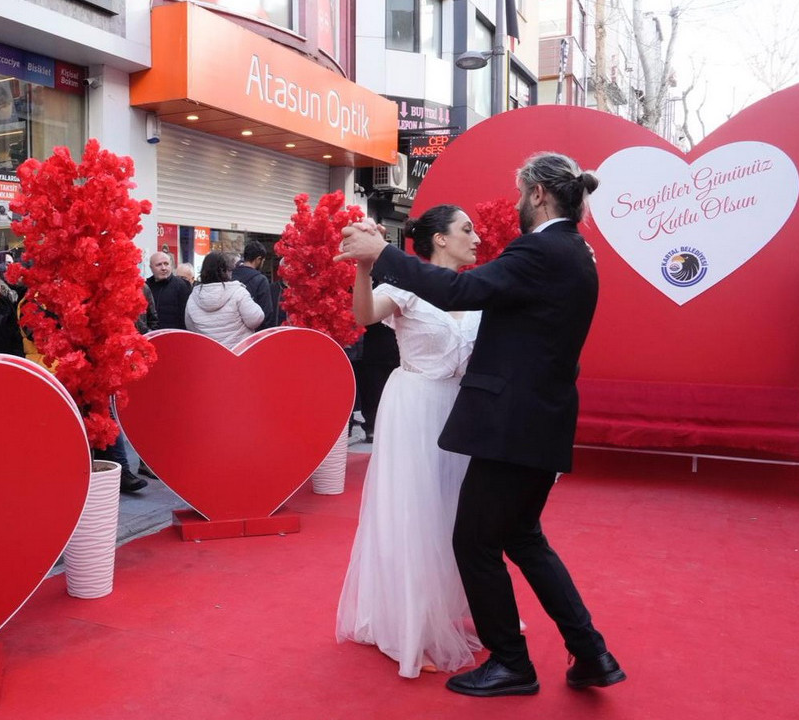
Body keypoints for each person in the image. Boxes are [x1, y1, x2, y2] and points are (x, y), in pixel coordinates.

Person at [337, 152, 624, 697]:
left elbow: (458, 292)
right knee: (523, 538)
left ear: (538, 193)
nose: (514, 205)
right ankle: (591, 652)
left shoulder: (539, 250)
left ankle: (513, 663)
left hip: (510, 427)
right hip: (538, 421)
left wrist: (383, 253)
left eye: (520, 193)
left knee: (473, 542)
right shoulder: (577, 250)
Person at [336, 205, 483, 679]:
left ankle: (456, 608)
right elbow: (363, 315)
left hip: (460, 410)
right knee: (414, 515)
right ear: (440, 239)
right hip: (415, 407)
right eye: (467, 230)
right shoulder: (405, 287)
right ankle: (411, 626)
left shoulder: (476, 293)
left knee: (454, 514)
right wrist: (365, 267)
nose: (476, 238)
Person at [184, 251, 264, 349]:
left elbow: (190, 327)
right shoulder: (238, 291)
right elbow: (256, 319)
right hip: (238, 352)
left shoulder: (193, 297)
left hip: (208, 353)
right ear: (226, 271)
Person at [231, 241, 275, 329]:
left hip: (232, 329)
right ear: (258, 259)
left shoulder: (230, 276)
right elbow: (266, 313)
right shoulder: (261, 280)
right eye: (263, 261)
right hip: (253, 332)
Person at [145, 251, 191, 330]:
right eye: (159, 264)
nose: (163, 268)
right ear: (151, 267)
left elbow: (187, 316)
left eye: (166, 264)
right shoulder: (146, 287)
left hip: (174, 334)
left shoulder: (181, 285)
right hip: (152, 334)